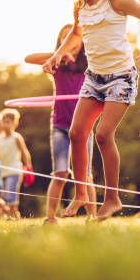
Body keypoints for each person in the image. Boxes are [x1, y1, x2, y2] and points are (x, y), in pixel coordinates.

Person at [42, 0, 140, 220]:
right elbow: (76, 33)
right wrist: (57, 56)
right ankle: (82, 194)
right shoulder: (81, 6)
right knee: (76, 134)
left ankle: (112, 199)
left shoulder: (118, 0)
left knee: (103, 135)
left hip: (121, 76)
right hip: (93, 78)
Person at [25, 24, 97, 224]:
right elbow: (28, 58)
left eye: (72, 39)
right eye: (65, 40)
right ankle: (50, 217)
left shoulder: (89, 63)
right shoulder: (56, 64)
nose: (70, 44)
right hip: (59, 125)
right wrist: (58, 54)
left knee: (86, 175)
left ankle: (93, 217)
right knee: (60, 173)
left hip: (83, 125)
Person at [0, 109, 32, 218]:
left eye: (8, 122)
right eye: (4, 122)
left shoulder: (16, 137)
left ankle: (13, 215)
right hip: (3, 172)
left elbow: (24, 152)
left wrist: (28, 167)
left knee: (11, 193)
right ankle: (13, 215)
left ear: (15, 123)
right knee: (5, 194)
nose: (6, 124)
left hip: (15, 170)